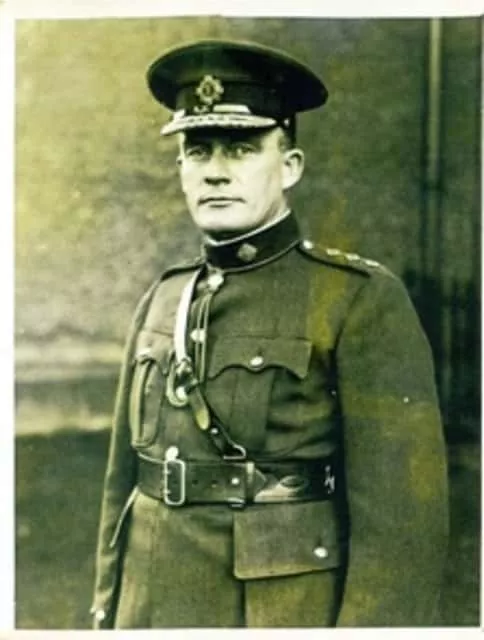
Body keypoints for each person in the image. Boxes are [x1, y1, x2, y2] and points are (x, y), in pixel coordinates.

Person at [91, 39, 449, 628]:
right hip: (151, 606)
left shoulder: (357, 299)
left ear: (289, 167)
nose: (216, 171)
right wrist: (107, 610)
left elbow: (404, 523)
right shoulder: (162, 298)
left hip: (277, 612)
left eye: (241, 148)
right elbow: (121, 487)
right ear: (180, 169)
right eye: (197, 150)